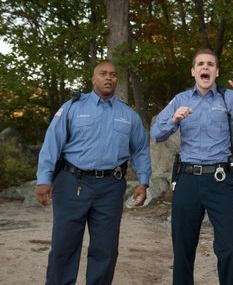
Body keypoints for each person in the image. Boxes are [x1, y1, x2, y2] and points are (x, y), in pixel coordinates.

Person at [150, 48, 233, 285]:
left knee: (230, 249)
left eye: (211, 64)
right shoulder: (181, 99)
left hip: (220, 180)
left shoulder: (229, 98)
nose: (206, 68)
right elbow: (156, 134)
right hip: (187, 180)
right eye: (201, 64)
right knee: (183, 249)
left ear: (217, 71)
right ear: (193, 71)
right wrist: (174, 120)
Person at [36, 60, 152, 285]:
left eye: (113, 74)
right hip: (72, 182)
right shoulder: (72, 107)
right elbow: (52, 143)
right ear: (93, 79)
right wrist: (44, 179)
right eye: (103, 73)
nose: (109, 78)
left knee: (105, 249)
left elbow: (140, 150)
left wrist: (143, 181)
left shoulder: (128, 115)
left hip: (110, 187)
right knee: (64, 246)